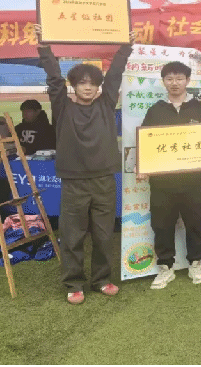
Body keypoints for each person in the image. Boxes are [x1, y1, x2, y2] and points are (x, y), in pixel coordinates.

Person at [36, 25, 135, 305]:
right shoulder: (63, 107)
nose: (88, 87)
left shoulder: (105, 104)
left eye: (92, 83)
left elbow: (115, 75)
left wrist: (125, 48)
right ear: (74, 86)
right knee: (72, 235)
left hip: (104, 180)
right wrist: (44, 49)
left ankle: (101, 280)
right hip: (74, 182)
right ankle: (73, 283)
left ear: (99, 86)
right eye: (82, 83)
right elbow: (54, 79)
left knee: (104, 235)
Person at [139, 62, 201, 290]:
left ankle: (196, 263)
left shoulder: (200, 109)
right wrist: (142, 167)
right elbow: (146, 142)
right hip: (162, 183)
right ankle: (166, 267)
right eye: (170, 79)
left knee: (195, 222)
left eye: (179, 78)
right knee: (162, 225)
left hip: (193, 181)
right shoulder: (155, 110)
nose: (175, 83)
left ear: (188, 81)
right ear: (164, 81)